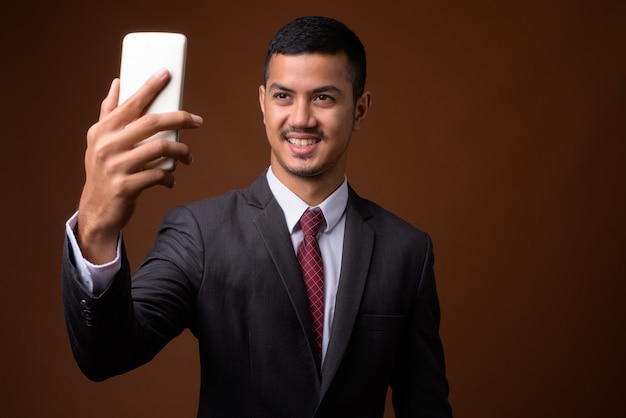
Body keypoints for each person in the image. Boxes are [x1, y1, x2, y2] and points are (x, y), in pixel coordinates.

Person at [62, 15, 453, 417]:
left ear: (360, 109)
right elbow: (106, 356)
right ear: (263, 103)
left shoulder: (407, 251)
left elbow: (426, 406)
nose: (300, 118)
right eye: (284, 96)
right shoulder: (200, 233)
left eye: (324, 98)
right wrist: (97, 226)